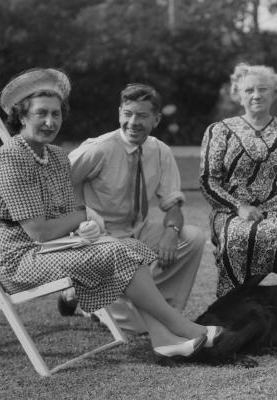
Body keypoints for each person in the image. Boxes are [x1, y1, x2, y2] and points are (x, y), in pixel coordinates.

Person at [0, 68, 219, 359]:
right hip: (19, 257)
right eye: (41, 114)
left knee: (127, 248)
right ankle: (182, 327)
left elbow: (67, 210)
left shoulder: (55, 155)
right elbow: (40, 231)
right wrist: (86, 217)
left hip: (55, 247)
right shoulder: (11, 159)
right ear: (21, 115)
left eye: (56, 114)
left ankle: (162, 338)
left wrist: (85, 225)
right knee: (120, 252)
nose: (50, 122)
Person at [67, 83, 206, 335]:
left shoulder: (160, 151)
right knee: (137, 327)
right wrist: (81, 217)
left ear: (156, 119)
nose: (133, 122)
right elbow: (60, 181)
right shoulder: (99, 148)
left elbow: (173, 202)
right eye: (127, 114)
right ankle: (87, 299)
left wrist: (172, 231)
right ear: (119, 113)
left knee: (192, 238)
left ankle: (164, 306)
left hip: (136, 233)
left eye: (142, 115)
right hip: (100, 239)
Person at [200, 63, 277, 297]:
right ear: (237, 95)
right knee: (235, 236)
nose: (256, 95)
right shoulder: (219, 130)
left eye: (263, 89)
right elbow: (208, 181)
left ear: (275, 92)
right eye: (248, 90)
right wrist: (239, 207)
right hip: (231, 212)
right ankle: (232, 310)